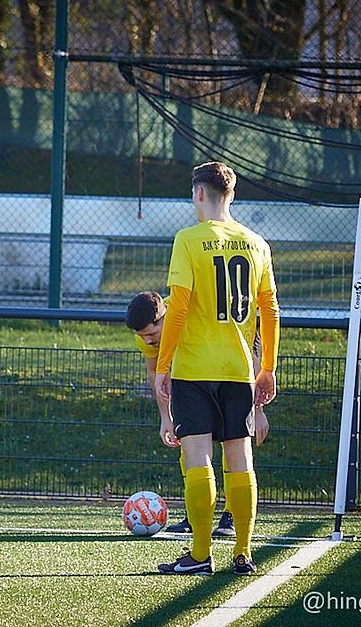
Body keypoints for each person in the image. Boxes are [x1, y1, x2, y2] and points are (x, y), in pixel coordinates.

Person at [152, 161, 279, 575]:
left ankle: (201, 555)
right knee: (240, 459)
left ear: (199, 194)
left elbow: (179, 308)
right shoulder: (256, 242)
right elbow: (270, 310)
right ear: (232, 195)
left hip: (194, 368)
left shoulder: (188, 239)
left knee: (198, 459)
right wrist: (269, 368)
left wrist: (163, 365)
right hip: (239, 368)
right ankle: (243, 552)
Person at [125, 291, 270, 538]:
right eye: (142, 336)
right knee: (189, 441)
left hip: (232, 358)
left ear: (167, 318)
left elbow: (246, 356)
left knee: (231, 442)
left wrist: (257, 409)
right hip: (193, 375)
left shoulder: (195, 317)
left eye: (151, 334)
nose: (148, 341)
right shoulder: (147, 340)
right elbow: (154, 374)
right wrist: (166, 418)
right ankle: (196, 515)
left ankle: (231, 515)